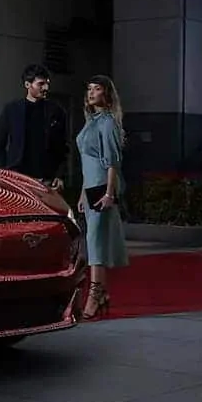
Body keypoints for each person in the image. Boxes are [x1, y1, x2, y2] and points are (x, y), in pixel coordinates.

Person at [76, 75, 128, 320]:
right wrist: (81, 194)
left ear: (106, 93)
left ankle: (94, 296)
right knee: (93, 241)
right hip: (90, 187)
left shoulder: (107, 122)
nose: (91, 93)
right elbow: (87, 162)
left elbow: (113, 162)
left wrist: (109, 193)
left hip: (101, 187)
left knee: (96, 243)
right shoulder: (91, 121)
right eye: (89, 88)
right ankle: (102, 294)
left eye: (97, 89)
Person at [0, 64, 70, 191]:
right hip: (16, 178)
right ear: (27, 85)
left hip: (46, 179)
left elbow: (63, 147)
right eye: (41, 84)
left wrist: (60, 175)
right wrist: (4, 172)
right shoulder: (12, 110)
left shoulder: (56, 111)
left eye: (47, 83)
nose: (46, 87)